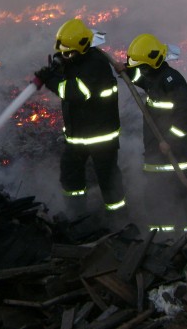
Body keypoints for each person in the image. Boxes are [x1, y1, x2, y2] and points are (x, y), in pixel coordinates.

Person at [32, 18, 127, 222]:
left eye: (68, 53)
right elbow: (66, 62)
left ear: (82, 47)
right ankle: (77, 215)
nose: (65, 56)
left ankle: (118, 219)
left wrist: (50, 80)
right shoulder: (76, 57)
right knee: (70, 176)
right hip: (77, 136)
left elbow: (73, 92)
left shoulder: (97, 65)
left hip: (101, 136)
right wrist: (56, 66)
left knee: (108, 178)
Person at [119, 33, 187, 235]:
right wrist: (126, 71)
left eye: (143, 67)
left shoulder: (173, 82)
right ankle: (162, 238)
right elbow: (141, 79)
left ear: (153, 63)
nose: (141, 71)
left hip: (173, 155)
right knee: (156, 198)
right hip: (156, 154)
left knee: (181, 196)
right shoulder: (154, 77)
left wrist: (169, 140)